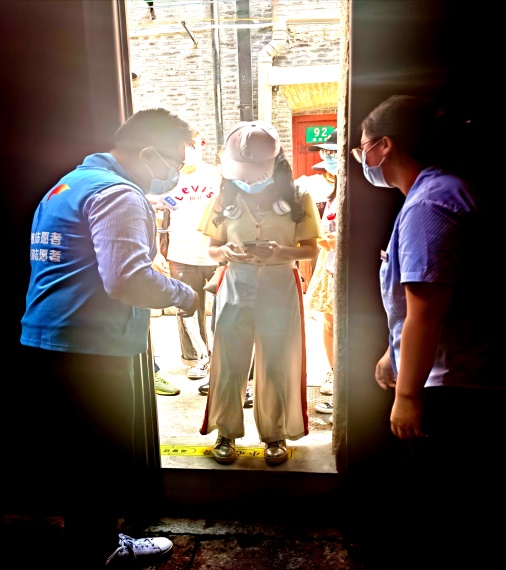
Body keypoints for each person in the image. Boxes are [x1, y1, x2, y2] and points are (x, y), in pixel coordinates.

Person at [18, 108, 200, 569]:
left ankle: (91, 543)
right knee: (98, 458)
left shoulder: (68, 184)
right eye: (176, 163)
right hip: (89, 347)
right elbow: (128, 279)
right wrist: (183, 294)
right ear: (148, 153)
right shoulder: (118, 194)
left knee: (78, 458)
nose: (175, 174)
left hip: (49, 338)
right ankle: (99, 551)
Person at [350, 94, 503, 569]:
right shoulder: (437, 190)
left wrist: (408, 396)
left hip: (453, 383)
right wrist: (393, 352)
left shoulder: (429, 205)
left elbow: (427, 312)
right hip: (454, 368)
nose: (361, 159)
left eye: (362, 147)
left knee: (446, 504)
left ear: (384, 146)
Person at [198, 120, 322, 466]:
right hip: (235, 283)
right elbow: (212, 248)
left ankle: (274, 434)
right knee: (229, 360)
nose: (248, 178)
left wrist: (280, 252)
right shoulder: (224, 196)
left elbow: (310, 250)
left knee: (278, 361)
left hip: (280, 284)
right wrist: (226, 252)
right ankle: (226, 432)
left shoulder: (299, 197)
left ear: (274, 163)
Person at [153, 128, 221, 383]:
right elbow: (155, 214)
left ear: (201, 143)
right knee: (187, 308)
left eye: (191, 145)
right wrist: (157, 252)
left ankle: (223, 358)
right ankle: (197, 358)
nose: (186, 151)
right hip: (181, 253)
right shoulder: (167, 178)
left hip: (216, 253)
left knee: (225, 309)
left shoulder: (217, 174)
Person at [297, 129, 338, 407]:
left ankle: (345, 379)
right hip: (329, 263)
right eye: (325, 152)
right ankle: (334, 373)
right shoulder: (329, 191)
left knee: (345, 324)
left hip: (346, 265)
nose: (328, 157)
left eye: (333, 152)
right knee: (328, 321)